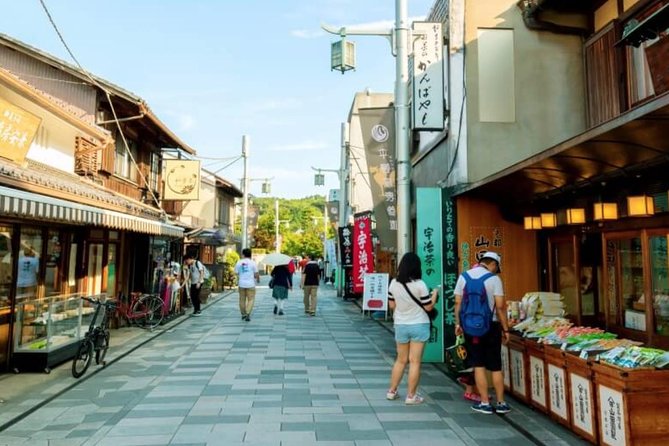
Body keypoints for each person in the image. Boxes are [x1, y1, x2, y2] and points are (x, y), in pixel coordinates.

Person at [454, 251, 511, 414]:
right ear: (493, 264)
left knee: (478, 365)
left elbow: (457, 303)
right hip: (491, 326)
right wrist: (505, 329)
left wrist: (458, 324)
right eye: (496, 267)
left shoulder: (463, 276)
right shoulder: (494, 279)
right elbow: (500, 306)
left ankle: (485, 402)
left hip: (470, 327)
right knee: (495, 366)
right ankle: (501, 403)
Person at [386, 252, 438, 405]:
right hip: (419, 324)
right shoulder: (420, 284)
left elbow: (392, 305)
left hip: (401, 324)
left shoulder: (394, 283)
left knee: (400, 360)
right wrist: (434, 294)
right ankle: (411, 396)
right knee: (414, 361)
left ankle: (392, 391)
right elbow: (428, 307)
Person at [235, 248, 259, 321]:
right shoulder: (253, 263)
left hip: (241, 284)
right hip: (250, 284)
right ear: (250, 255)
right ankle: (248, 313)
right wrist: (257, 278)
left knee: (242, 300)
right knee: (251, 299)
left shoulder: (239, 262)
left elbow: (236, 272)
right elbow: (256, 274)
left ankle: (243, 314)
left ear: (243, 254)